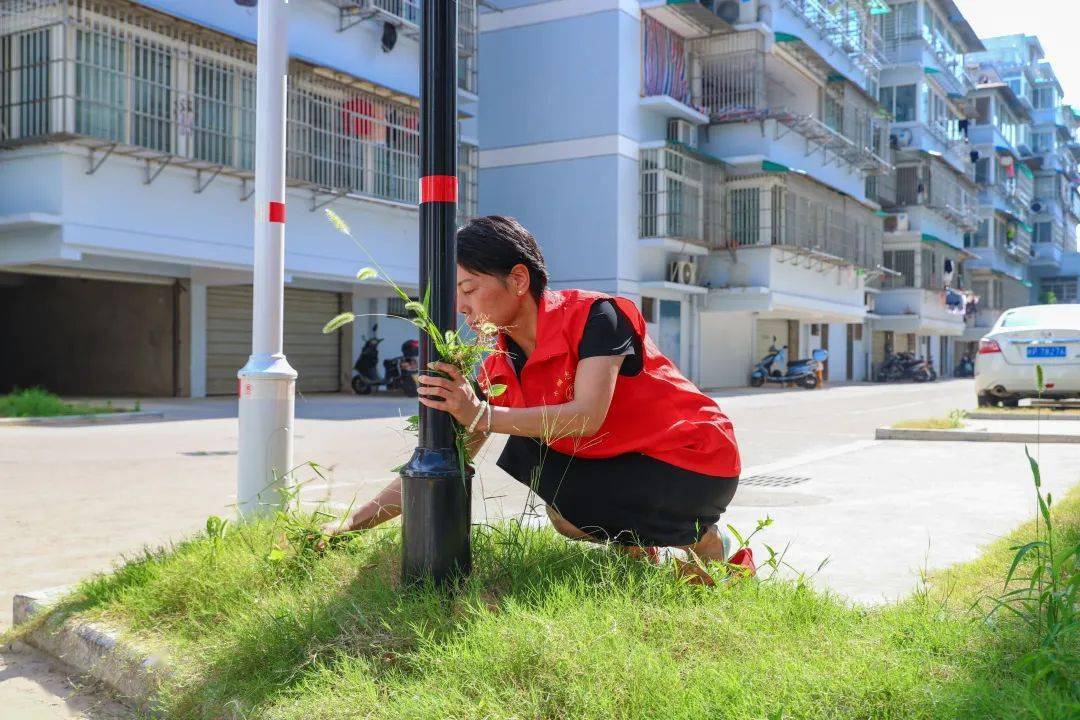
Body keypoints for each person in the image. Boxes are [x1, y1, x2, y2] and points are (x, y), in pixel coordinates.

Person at [324, 216, 742, 567]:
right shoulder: (497, 368)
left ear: (519, 278)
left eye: (469, 289)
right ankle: (640, 552)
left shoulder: (597, 316)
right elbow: (446, 457)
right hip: (627, 464)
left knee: (534, 453)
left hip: (696, 460)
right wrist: (349, 526)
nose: (461, 306)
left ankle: (708, 542)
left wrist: (484, 416)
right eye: (456, 294)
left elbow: (586, 416)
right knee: (559, 506)